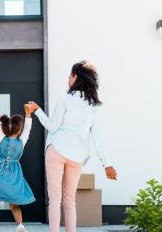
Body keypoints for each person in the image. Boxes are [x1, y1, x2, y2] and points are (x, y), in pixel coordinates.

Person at [27, 60, 118, 232]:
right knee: (69, 200)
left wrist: (37, 110)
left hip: (56, 149)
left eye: (70, 75)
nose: (68, 78)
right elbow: (98, 137)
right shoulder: (93, 106)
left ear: (76, 77)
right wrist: (107, 164)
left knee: (54, 198)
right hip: (77, 156)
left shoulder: (64, 99)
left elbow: (52, 126)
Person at [0, 101, 37, 232]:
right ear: (19, 130)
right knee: (14, 204)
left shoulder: (1, 138)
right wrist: (28, 114)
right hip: (14, 176)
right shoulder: (21, 141)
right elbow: (28, 129)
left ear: (5, 129)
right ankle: (20, 225)